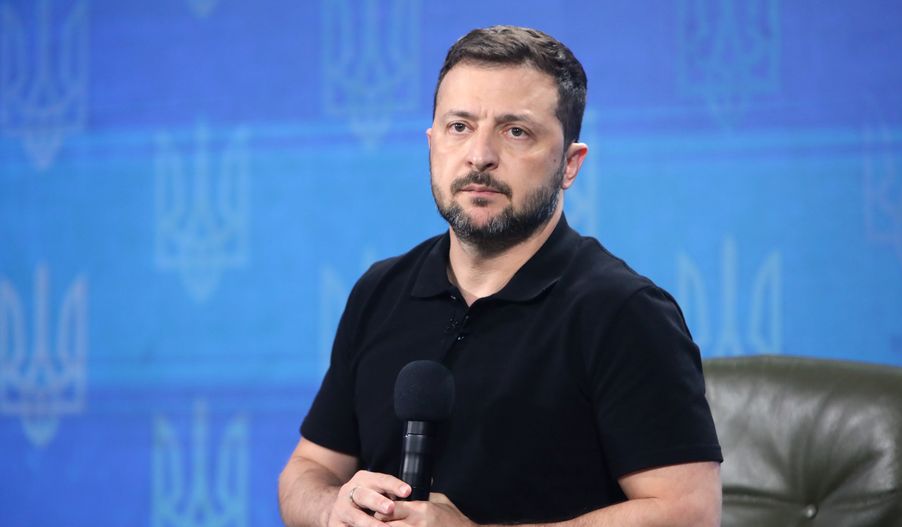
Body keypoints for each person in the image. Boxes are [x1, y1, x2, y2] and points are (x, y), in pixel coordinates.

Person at [279, 25, 723, 527]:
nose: (479, 155)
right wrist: (332, 509)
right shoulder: (380, 290)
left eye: (516, 131)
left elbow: (689, 513)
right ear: (432, 142)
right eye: (459, 127)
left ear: (570, 164)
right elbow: (309, 469)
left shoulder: (624, 311)